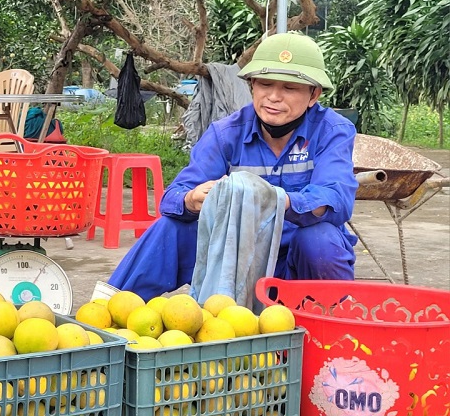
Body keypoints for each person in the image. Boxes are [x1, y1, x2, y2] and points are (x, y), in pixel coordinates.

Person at [107, 32, 358, 300]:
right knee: (171, 227)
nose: (274, 96)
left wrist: (274, 200)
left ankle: (328, 325)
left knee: (320, 240)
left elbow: (336, 200)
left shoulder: (333, 131)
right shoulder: (226, 133)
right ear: (252, 86)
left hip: (295, 262)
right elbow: (173, 196)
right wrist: (192, 199)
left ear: (313, 95)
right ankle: (110, 311)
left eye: (289, 88)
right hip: (235, 255)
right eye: (265, 84)